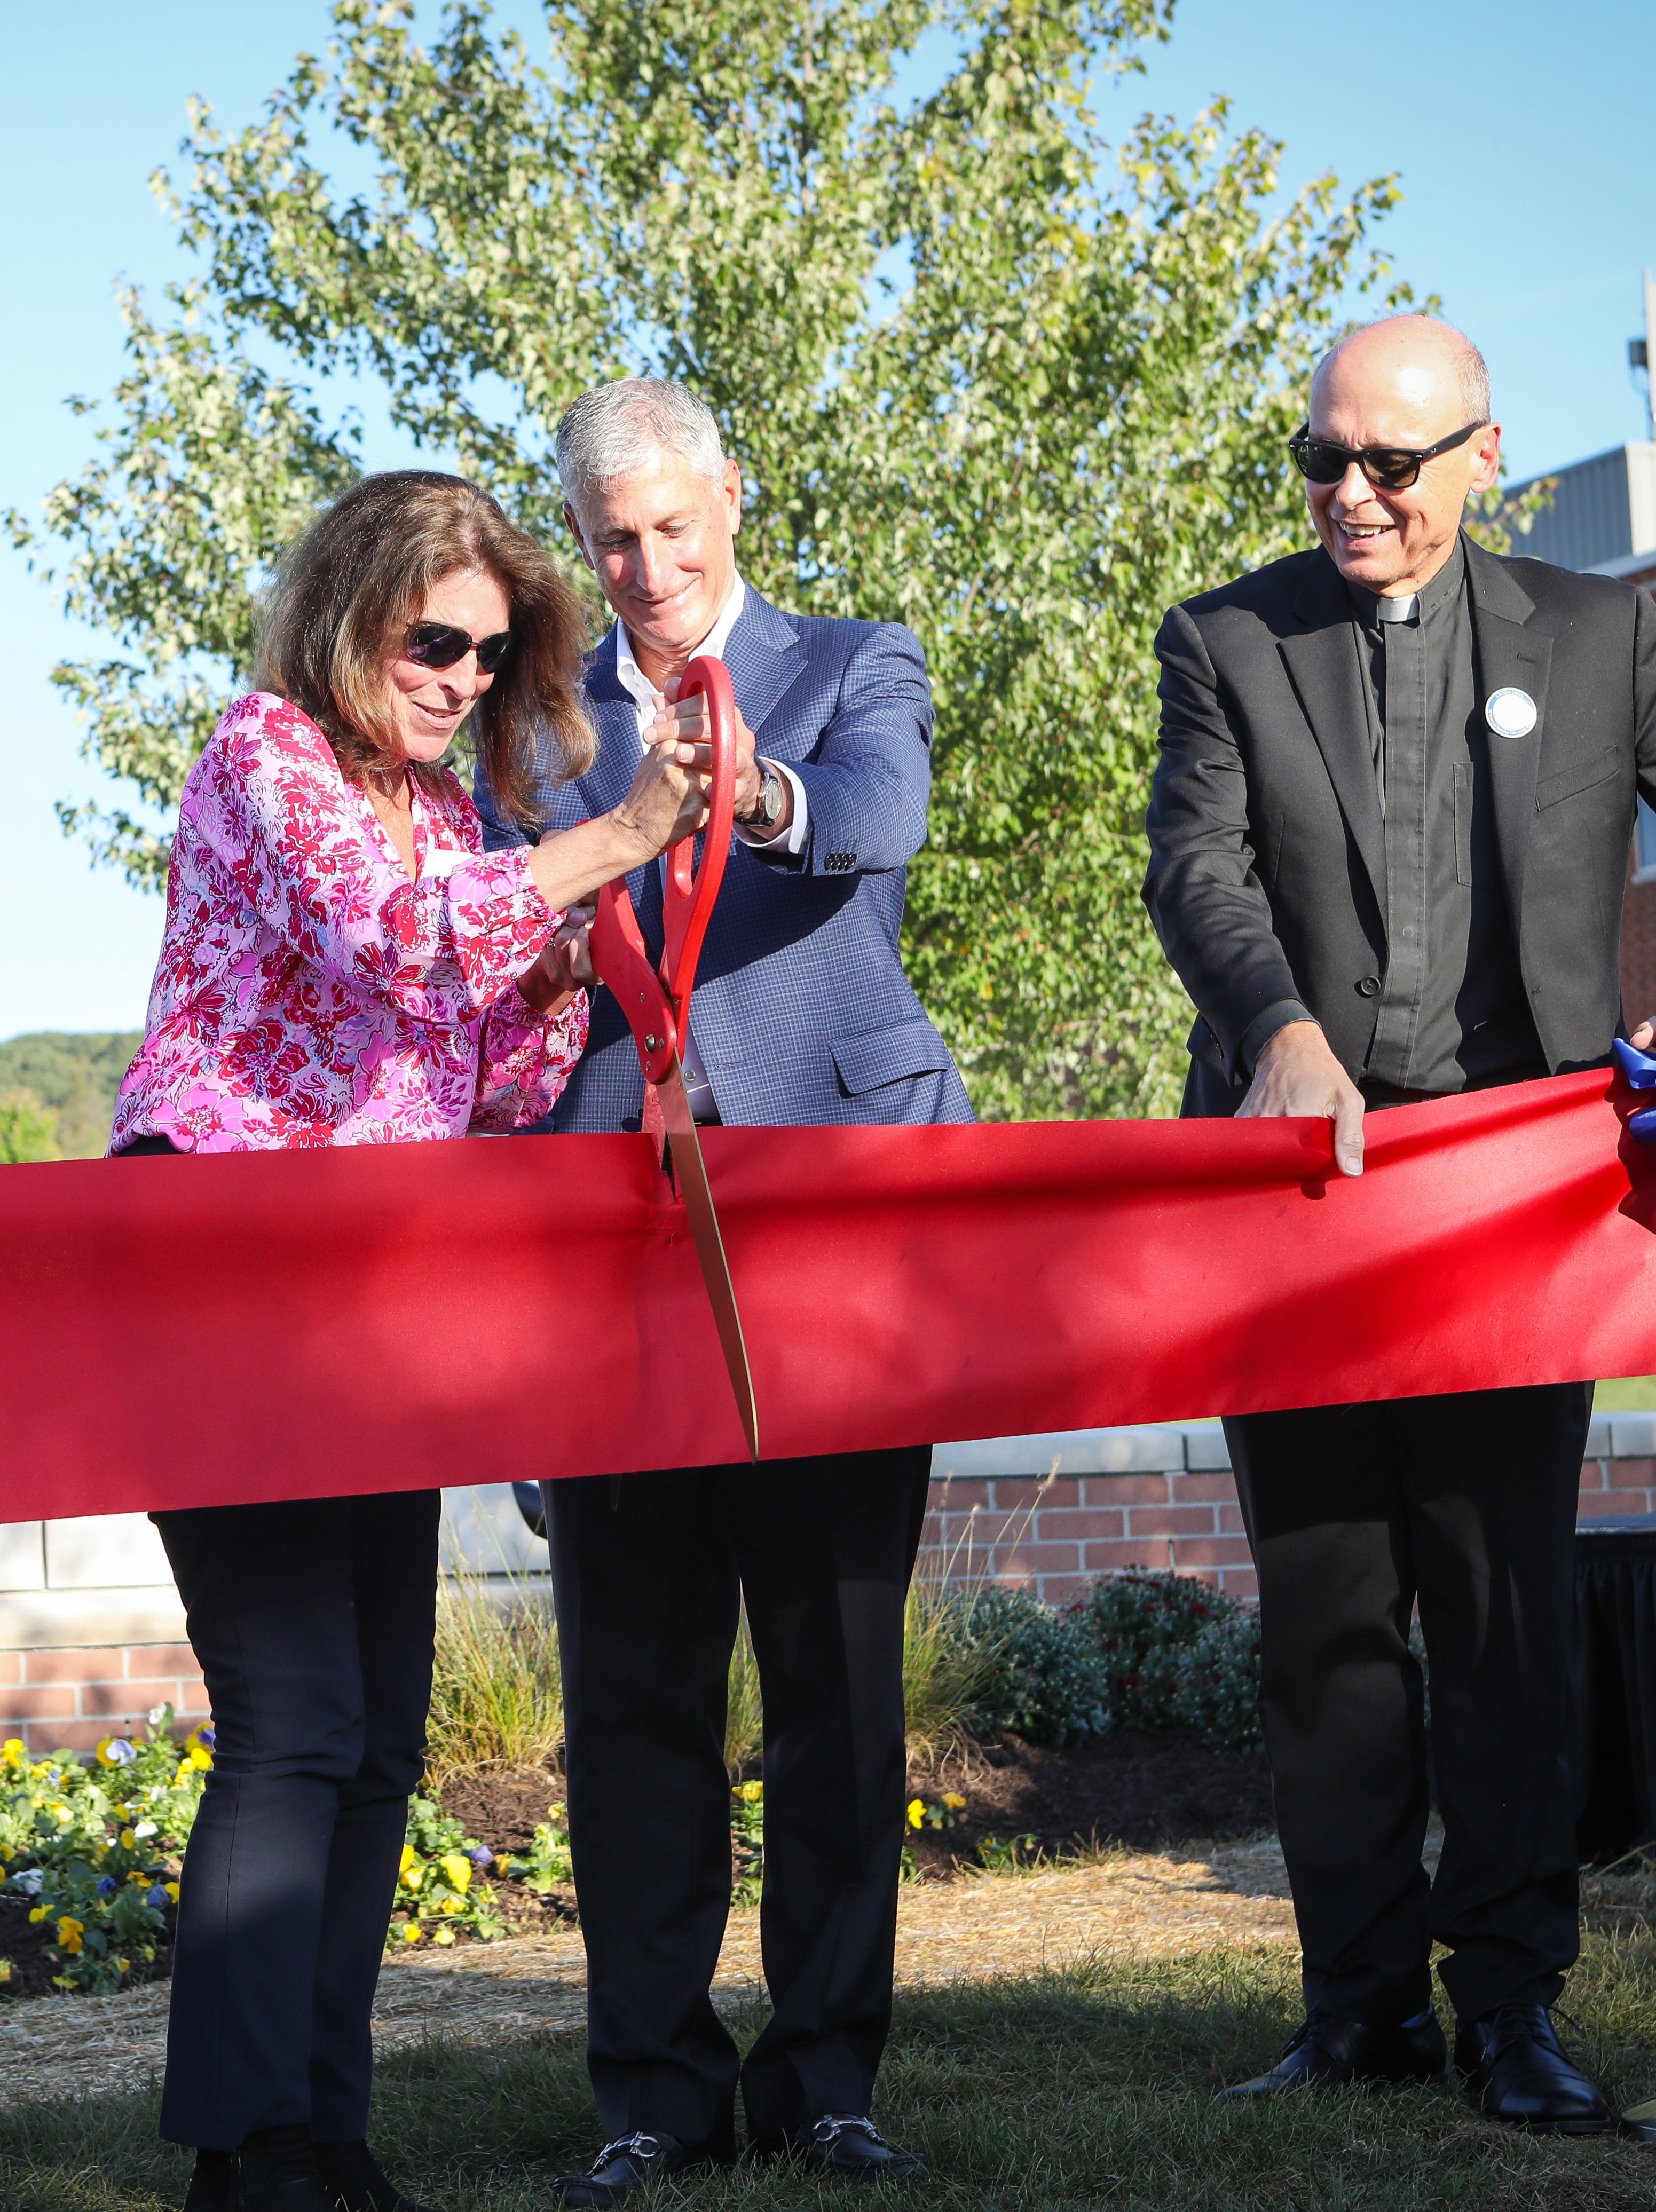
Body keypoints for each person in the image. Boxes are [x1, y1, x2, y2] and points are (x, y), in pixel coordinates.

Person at [1144, 314, 1656, 2129]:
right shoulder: (1228, 637)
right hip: (1292, 1194)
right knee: (1325, 1626)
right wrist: (1277, 1031)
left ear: (1482, 457)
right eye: (1321, 462)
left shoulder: (1599, 636)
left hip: (1510, 1207)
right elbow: (1197, 867)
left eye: (1390, 464)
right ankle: (1357, 2008)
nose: (1350, 497)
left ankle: (1515, 2009)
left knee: (1504, 1612)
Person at [113, 469, 706, 2212]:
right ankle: (242, 2154)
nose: (457, 676)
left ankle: (323, 2132)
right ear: (349, 613)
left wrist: (557, 979)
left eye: (487, 652)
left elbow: (498, 1078)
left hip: (373, 1310)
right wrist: (611, 840)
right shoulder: (264, 753)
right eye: (430, 639)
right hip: (228, 1287)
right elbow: (388, 945)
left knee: (373, 1732)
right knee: (293, 1721)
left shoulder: (445, 811)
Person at [478, 378, 970, 2203]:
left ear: (734, 504)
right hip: (615, 1255)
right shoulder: (531, 728)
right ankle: (651, 2091)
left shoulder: (857, 661)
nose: (652, 565)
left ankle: (829, 2079)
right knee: (635, 1697)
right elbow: (499, 949)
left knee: (841, 1687)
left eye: (678, 527)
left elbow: (876, 820)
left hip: (846, 1245)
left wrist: (741, 789)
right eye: (615, 538)